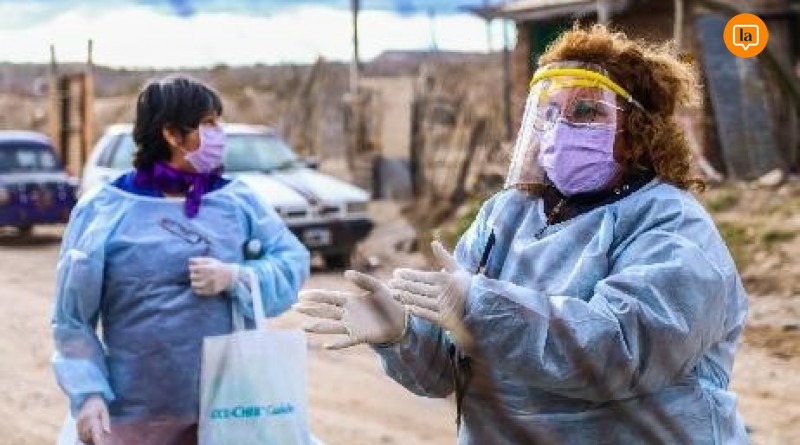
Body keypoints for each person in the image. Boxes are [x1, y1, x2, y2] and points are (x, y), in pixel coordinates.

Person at [295, 24, 748, 444]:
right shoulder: (507, 215)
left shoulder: (673, 227)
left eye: (585, 111)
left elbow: (618, 353)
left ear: (637, 130)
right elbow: (448, 371)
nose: (561, 127)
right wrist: (402, 335)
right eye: (550, 111)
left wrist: (479, 306)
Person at [51, 75, 310, 445]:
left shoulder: (236, 201)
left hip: (228, 407)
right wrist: (88, 393)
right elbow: (72, 318)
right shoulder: (105, 209)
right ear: (172, 133)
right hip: (134, 413)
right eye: (208, 123)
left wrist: (236, 276)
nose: (220, 133)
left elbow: (292, 260)